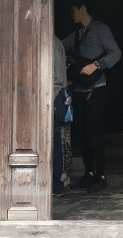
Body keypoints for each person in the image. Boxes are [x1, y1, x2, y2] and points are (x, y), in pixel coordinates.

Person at [63, 0, 121, 193]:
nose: (72, 15)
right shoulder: (75, 35)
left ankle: (101, 176)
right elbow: (59, 47)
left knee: (94, 133)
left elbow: (116, 53)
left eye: (74, 10)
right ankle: (88, 173)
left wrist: (97, 65)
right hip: (79, 89)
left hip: (96, 88)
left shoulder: (100, 29)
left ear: (83, 8)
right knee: (80, 133)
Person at [53, 35, 69, 197]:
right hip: (55, 96)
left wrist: (50, 102)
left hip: (53, 97)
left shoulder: (50, 43)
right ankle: (55, 187)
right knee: (54, 143)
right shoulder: (54, 41)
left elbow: (56, 79)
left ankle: (56, 187)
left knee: (53, 144)